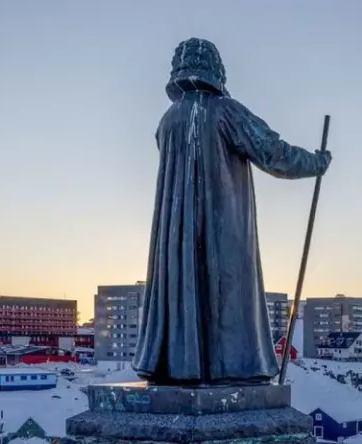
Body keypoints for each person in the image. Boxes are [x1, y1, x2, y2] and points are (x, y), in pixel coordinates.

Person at [134, 38, 331, 386]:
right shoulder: (224, 110)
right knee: (227, 293)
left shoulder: (167, 121)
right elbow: (273, 153)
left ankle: (182, 366)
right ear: (215, 69)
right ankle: (231, 368)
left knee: (186, 288)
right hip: (222, 226)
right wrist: (316, 163)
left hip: (176, 236)